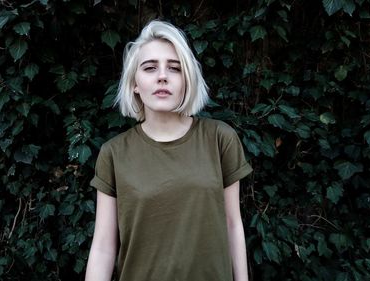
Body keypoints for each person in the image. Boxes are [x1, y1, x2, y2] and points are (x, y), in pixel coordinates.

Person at [84, 20, 252, 281]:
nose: (162, 75)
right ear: (135, 84)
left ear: (187, 79)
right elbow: (104, 245)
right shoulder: (114, 153)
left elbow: (233, 224)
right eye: (150, 68)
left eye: (174, 68)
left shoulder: (220, 138)